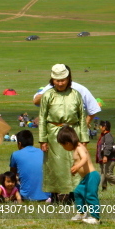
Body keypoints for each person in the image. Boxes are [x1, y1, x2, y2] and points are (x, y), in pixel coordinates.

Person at [38, 64, 87, 201]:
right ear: (52, 80)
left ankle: (75, 195)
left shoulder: (76, 94)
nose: (60, 83)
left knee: (75, 163)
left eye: (63, 80)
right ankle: (56, 195)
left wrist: (84, 138)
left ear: (68, 78)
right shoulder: (48, 95)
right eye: (57, 80)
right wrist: (43, 140)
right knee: (55, 165)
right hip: (54, 134)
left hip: (73, 133)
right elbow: (42, 117)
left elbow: (82, 117)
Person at [58, 126, 100, 224]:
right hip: (86, 177)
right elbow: (78, 161)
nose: (64, 148)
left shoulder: (79, 147)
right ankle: (81, 213)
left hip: (92, 176)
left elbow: (84, 158)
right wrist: (75, 169)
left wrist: (77, 167)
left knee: (90, 195)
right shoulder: (75, 149)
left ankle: (95, 217)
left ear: (68, 143)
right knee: (78, 192)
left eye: (63, 146)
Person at [33, 77, 101, 129]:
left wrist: (85, 124)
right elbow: (36, 101)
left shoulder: (79, 89)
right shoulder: (50, 88)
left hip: (74, 130)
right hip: (53, 130)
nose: (60, 83)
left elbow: (94, 108)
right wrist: (51, 91)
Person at [9, 130, 48, 201]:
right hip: (46, 195)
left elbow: (12, 176)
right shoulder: (43, 152)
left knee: (3, 178)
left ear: (19, 143)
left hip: (26, 196)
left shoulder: (15, 154)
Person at [96, 120, 115, 191]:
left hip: (109, 158)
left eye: (100, 126)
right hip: (104, 158)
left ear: (104, 127)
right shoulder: (103, 135)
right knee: (103, 173)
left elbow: (108, 146)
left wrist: (105, 156)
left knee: (108, 174)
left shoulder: (108, 135)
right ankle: (104, 188)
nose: (99, 127)